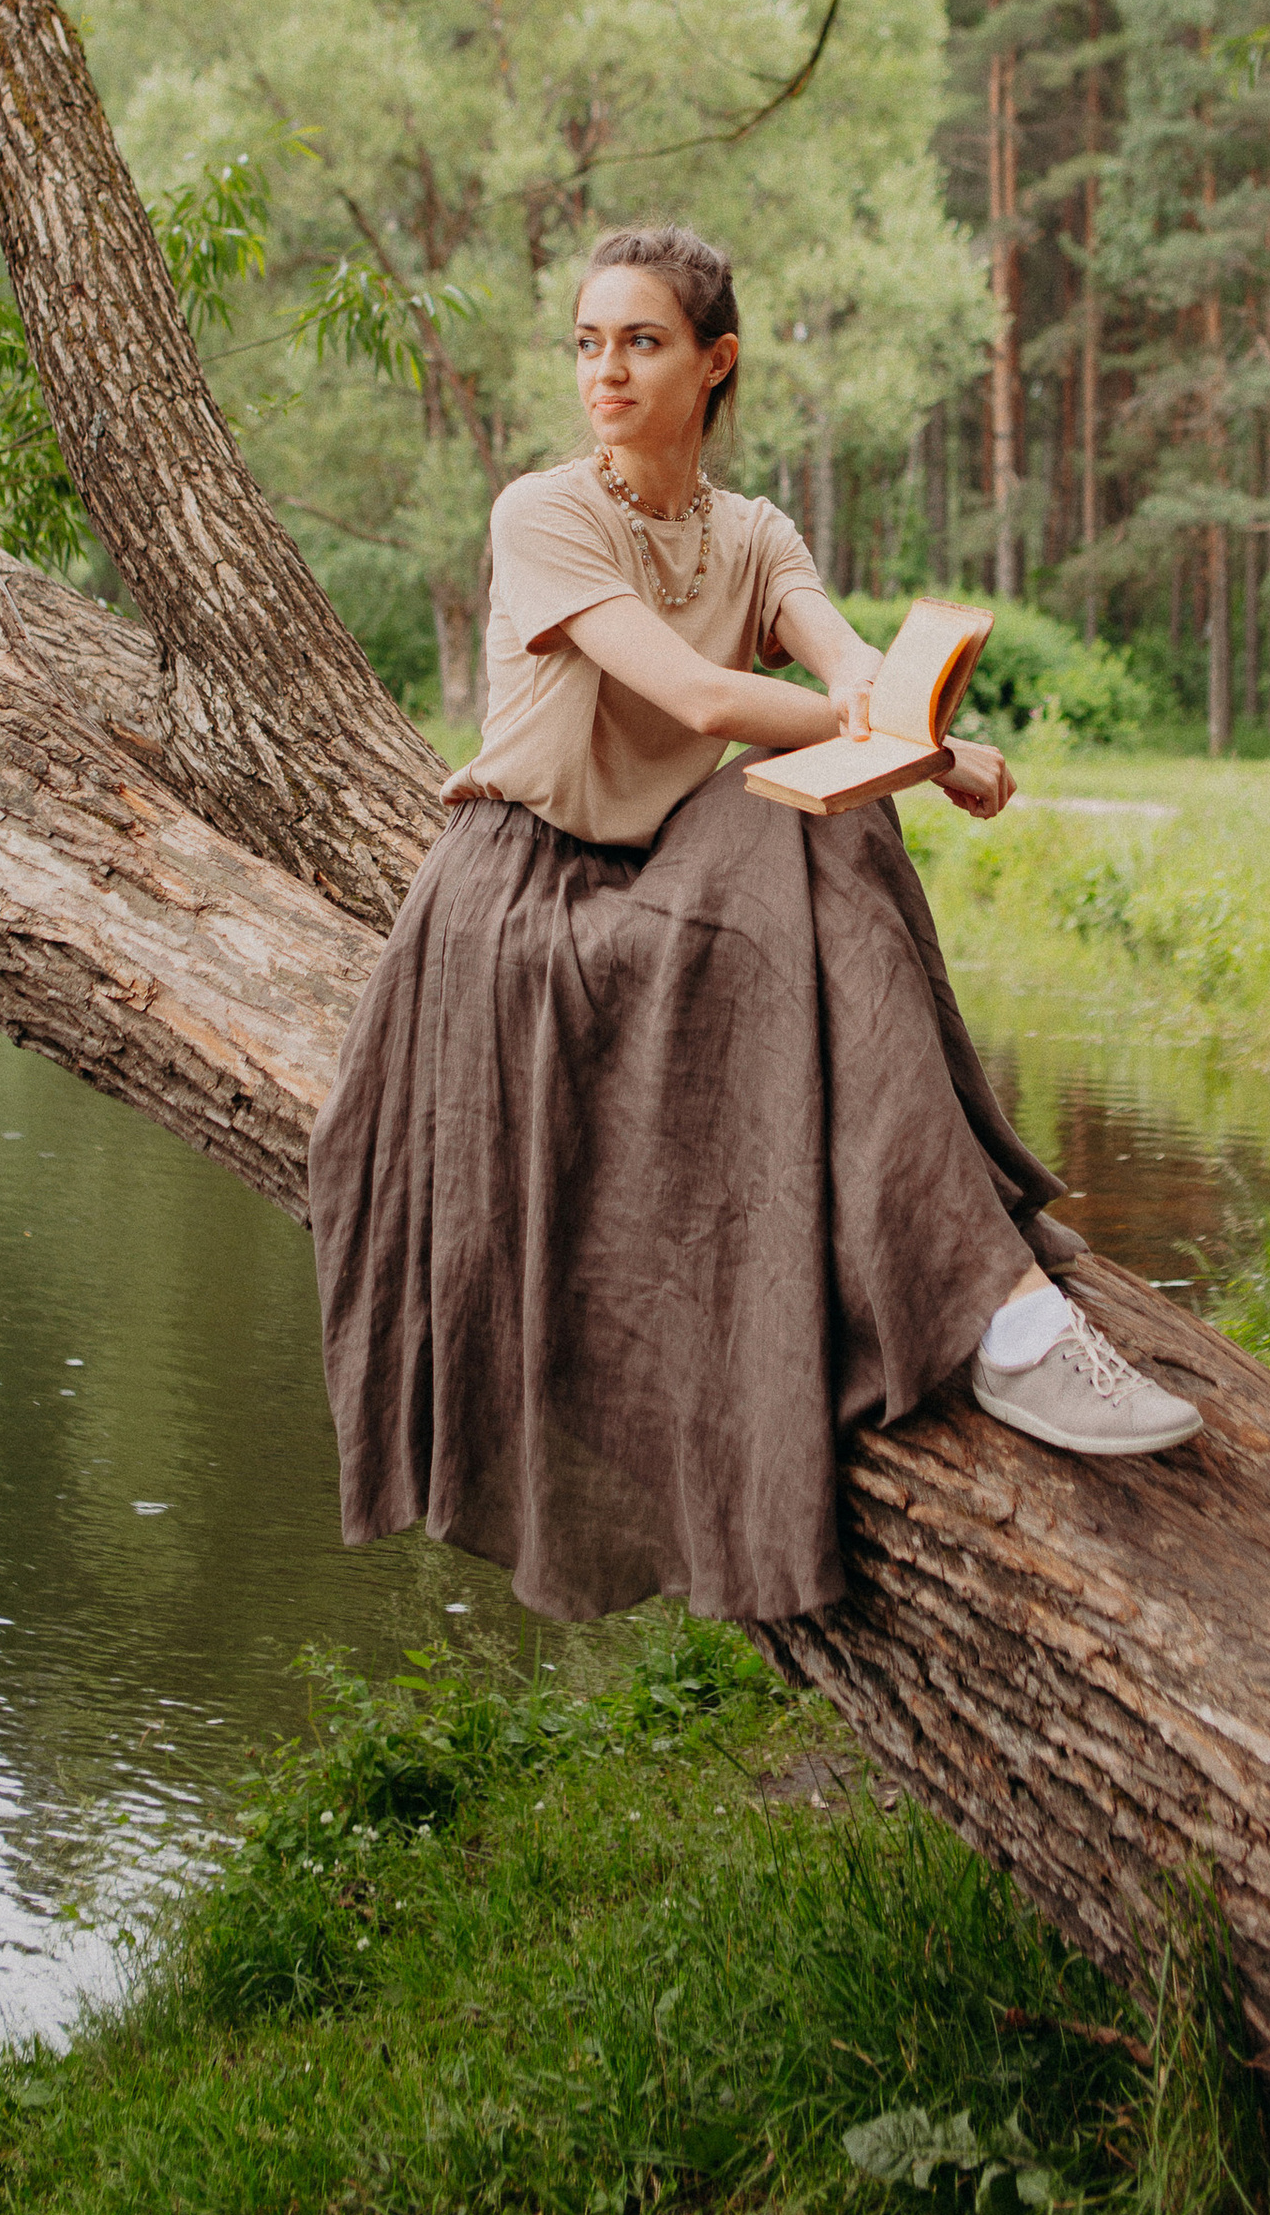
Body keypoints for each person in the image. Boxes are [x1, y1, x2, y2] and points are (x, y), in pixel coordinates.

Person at [309, 222, 1202, 1626]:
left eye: (642, 341)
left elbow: (851, 667)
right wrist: (926, 752)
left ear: (715, 362)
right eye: (590, 342)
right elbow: (705, 702)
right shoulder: (543, 513)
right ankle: (988, 1289)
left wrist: (913, 730)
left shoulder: (754, 533)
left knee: (841, 818)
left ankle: (1001, 1313)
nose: (606, 370)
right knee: (838, 796)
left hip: (654, 867)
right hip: (519, 909)